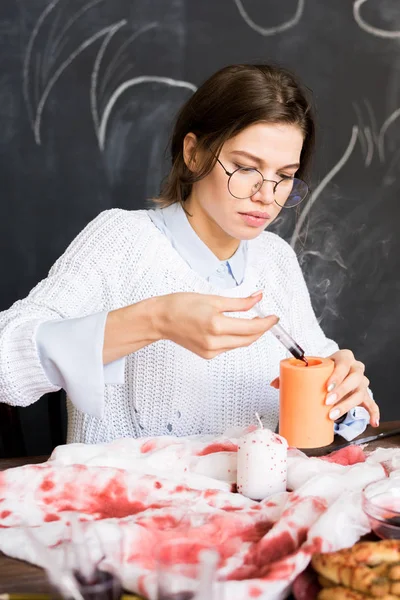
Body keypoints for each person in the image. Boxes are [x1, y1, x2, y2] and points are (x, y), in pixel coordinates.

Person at [0, 64, 379, 445]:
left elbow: (328, 379)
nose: (266, 195)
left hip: (250, 501)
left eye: (284, 176)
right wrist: (156, 320)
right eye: (246, 167)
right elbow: (5, 364)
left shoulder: (275, 258)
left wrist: (343, 392)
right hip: (130, 499)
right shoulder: (121, 240)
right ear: (194, 154)